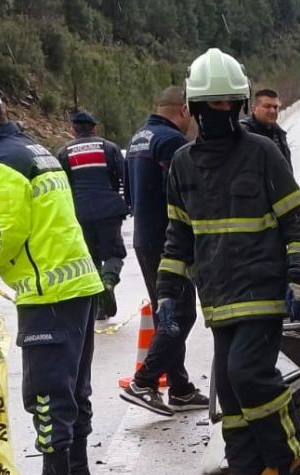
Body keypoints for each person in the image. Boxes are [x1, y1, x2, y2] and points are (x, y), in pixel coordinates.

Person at [156, 48, 300, 475]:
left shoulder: (262, 153)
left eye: (228, 103)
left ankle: (283, 459)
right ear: (196, 107)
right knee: (227, 386)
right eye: (212, 104)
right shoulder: (184, 165)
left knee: (248, 372)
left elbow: (297, 219)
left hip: (263, 289)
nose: (220, 112)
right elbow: (178, 236)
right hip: (218, 294)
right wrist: (168, 291)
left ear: (239, 104)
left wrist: (299, 274)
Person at [0, 91, 104, 475]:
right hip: (75, 284)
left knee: (46, 389)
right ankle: (78, 472)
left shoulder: (4, 164)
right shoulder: (34, 151)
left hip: (48, 290)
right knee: (74, 386)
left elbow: (5, 230)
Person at [120, 86, 209, 416]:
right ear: (183, 110)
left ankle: (180, 387)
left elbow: (128, 194)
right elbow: (183, 193)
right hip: (170, 241)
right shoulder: (171, 142)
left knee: (167, 312)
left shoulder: (139, 138)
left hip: (145, 238)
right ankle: (144, 382)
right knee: (180, 314)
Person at [55, 110, 128, 320]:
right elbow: (124, 177)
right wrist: (127, 203)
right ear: (94, 128)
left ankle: (99, 307)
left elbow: (62, 186)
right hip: (109, 211)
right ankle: (108, 282)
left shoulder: (63, 153)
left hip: (80, 213)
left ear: (72, 130)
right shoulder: (109, 147)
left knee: (90, 257)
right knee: (114, 254)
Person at [240, 88, 292, 167]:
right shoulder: (243, 134)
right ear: (254, 109)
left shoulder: (279, 135)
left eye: (275, 107)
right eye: (267, 106)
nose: (272, 111)